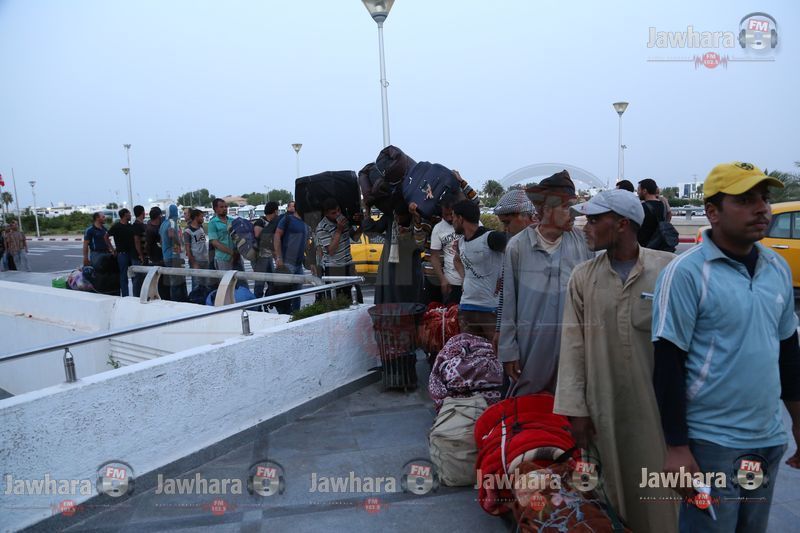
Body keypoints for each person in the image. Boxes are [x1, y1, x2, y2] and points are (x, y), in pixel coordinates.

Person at [652, 162, 800, 532]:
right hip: (711, 444)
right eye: (745, 200)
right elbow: (668, 363)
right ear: (713, 212)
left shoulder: (777, 268)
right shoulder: (686, 273)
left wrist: (798, 422)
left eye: (763, 198)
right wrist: (676, 447)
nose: (761, 208)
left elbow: (788, 351)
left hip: (768, 437)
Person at [554, 189, 677, 533]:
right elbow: (573, 346)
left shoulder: (667, 270)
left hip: (657, 413)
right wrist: (576, 410)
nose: (586, 227)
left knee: (662, 499)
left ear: (622, 224)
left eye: (594, 220)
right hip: (603, 410)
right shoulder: (583, 277)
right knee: (610, 493)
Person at [498, 171, 593, 396]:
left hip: (573, 349)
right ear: (546, 209)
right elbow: (508, 301)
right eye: (566, 207)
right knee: (529, 404)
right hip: (530, 348)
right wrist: (508, 350)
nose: (573, 213)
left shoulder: (583, 243)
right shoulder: (518, 247)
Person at [452, 200, 507, 341]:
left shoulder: (492, 237)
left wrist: (505, 278)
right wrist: (464, 279)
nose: (452, 221)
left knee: (495, 350)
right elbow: (457, 260)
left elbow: (516, 255)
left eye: (453, 217)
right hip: (466, 307)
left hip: (490, 308)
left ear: (460, 218)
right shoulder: (461, 242)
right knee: (468, 350)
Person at [491, 189, 536, 354]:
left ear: (524, 216)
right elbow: (505, 294)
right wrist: (499, 329)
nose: (506, 229)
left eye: (507, 223)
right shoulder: (513, 245)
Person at [367, 203, 426, 305]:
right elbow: (371, 230)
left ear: (408, 215)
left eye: (401, 217)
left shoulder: (418, 219)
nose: (398, 220)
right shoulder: (390, 217)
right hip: (391, 268)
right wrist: (367, 210)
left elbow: (421, 246)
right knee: (390, 301)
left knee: (411, 303)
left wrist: (407, 235)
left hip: (410, 269)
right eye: (396, 217)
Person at [316, 198, 364, 303]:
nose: (338, 214)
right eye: (333, 213)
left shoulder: (343, 219)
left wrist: (362, 224)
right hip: (334, 268)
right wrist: (339, 230)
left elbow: (355, 238)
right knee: (337, 303)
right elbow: (331, 251)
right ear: (326, 214)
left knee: (357, 300)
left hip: (348, 265)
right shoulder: (322, 227)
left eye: (338, 210)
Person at [273, 201, 308, 312]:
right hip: (287, 263)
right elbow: (277, 236)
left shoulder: (305, 223)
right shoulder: (287, 219)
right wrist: (279, 258)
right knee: (284, 296)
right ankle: (284, 317)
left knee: (297, 295)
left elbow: (304, 243)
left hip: (298, 265)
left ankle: (296, 316)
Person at [430, 198, 465, 306]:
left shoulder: (469, 222)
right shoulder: (438, 228)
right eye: (445, 214)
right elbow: (434, 256)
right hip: (452, 282)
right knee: (451, 313)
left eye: (451, 214)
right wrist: (442, 279)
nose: (449, 217)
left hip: (472, 281)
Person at [252, 201, 281, 302]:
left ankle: (267, 301)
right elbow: (258, 237)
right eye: (277, 211)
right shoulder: (260, 222)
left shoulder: (272, 223)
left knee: (272, 281)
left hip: (268, 256)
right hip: (259, 257)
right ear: (275, 211)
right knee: (259, 284)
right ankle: (257, 306)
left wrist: (276, 257)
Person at [160, 204, 188, 302]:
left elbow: (161, 240)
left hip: (166, 255)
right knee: (176, 282)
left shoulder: (163, 223)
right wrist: (179, 243)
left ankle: (176, 300)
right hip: (173, 256)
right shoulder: (172, 222)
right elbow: (171, 234)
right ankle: (177, 301)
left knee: (173, 280)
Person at [108, 208, 136, 296]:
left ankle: (135, 295)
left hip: (132, 253)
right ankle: (125, 295)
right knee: (123, 275)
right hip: (122, 254)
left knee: (134, 274)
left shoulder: (131, 226)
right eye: (129, 214)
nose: (130, 215)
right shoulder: (116, 227)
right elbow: (106, 236)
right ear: (125, 215)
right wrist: (112, 249)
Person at [208, 199, 241, 271]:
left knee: (241, 277)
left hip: (237, 257)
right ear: (215, 209)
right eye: (222, 207)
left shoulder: (232, 221)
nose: (225, 209)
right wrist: (232, 253)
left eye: (226, 207)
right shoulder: (212, 223)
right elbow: (215, 243)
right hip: (223, 258)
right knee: (226, 278)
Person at [144, 206, 169, 301]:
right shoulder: (151, 229)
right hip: (156, 258)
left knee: (161, 281)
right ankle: (162, 298)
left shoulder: (152, 227)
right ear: (159, 216)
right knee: (160, 282)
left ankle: (162, 297)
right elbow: (148, 245)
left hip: (158, 257)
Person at [637, 178, 670, 247]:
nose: (637, 192)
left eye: (639, 190)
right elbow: (668, 216)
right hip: (659, 242)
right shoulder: (662, 204)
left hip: (645, 245)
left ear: (644, 191)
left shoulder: (642, 207)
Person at [183, 208, 209, 290]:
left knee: (206, 284)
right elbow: (187, 249)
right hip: (196, 261)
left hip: (205, 260)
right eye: (201, 217)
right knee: (196, 285)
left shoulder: (201, 228)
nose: (203, 218)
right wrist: (193, 263)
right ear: (196, 217)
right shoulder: (188, 231)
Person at [131, 205, 147, 297]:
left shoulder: (140, 225)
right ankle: (136, 297)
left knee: (142, 278)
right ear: (142, 213)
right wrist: (141, 255)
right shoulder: (137, 226)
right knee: (138, 278)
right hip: (138, 256)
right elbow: (137, 241)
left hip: (141, 255)